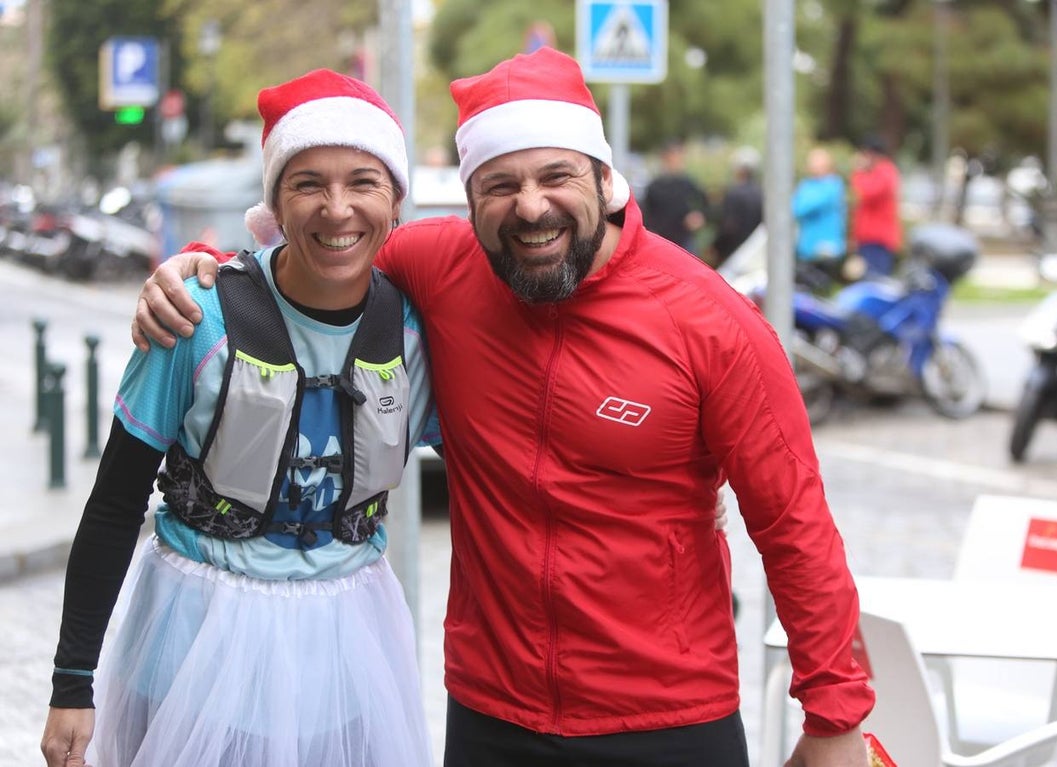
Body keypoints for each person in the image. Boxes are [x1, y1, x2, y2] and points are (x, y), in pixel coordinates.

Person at [132, 47, 875, 767]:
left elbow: (795, 525)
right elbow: (314, 258)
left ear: (606, 179)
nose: (530, 206)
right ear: (471, 201)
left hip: (669, 716)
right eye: (498, 184)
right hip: (492, 713)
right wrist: (196, 271)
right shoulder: (437, 266)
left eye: (556, 175)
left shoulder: (711, 322)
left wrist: (836, 717)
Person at [41, 69, 437, 767]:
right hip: (197, 641)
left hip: (348, 647)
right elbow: (113, 504)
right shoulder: (194, 317)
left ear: (395, 200)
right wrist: (72, 681)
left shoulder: (416, 330)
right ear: (275, 203)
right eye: (308, 183)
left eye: (363, 182)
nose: (337, 209)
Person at [641, 139, 710, 255]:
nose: (676, 161)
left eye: (679, 157)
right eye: (672, 157)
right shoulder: (654, 186)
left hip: (684, 240)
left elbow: (705, 205)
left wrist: (699, 216)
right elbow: (646, 215)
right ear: (664, 158)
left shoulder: (688, 183)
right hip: (662, 241)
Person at [792, 146, 847, 291]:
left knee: (821, 290)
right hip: (807, 249)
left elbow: (802, 207)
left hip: (826, 250)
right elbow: (794, 208)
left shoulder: (833, 185)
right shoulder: (808, 184)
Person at [849, 136, 902, 278]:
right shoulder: (875, 172)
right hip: (867, 238)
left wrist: (858, 172)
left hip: (878, 239)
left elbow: (866, 193)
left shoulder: (885, 171)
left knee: (875, 280)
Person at [710, 146, 764, 269]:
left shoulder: (734, 193)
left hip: (735, 255)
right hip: (756, 254)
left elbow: (729, 227)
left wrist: (716, 247)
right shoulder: (761, 193)